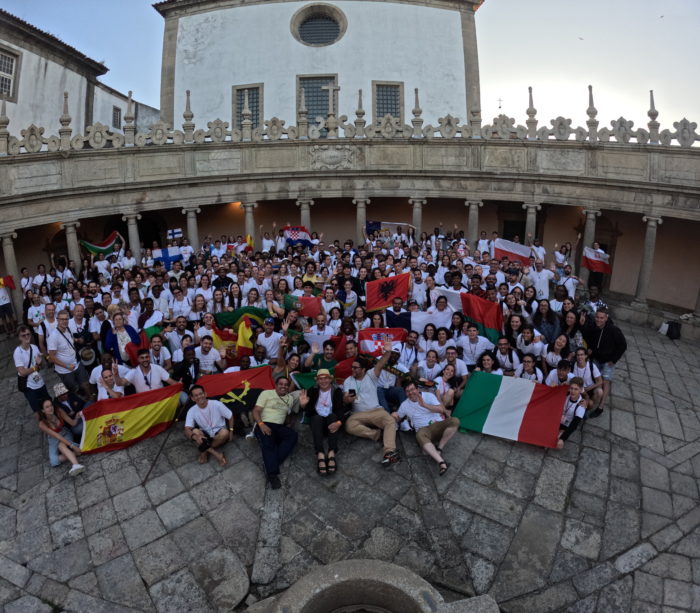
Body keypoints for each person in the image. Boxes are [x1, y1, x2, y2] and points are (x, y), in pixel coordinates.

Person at [342, 341, 401, 467]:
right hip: (358, 414)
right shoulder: (348, 380)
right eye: (352, 367)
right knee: (349, 425)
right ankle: (376, 434)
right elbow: (345, 398)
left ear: (363, 369)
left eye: (355, 368)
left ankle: (389, 452)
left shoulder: (371, 375)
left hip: (376, 411)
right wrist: (348, 399)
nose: (352, 369)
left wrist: (388, 352)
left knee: (390, 421)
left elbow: (380, 364)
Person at [392, 381, 460, 475]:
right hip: (424, 431)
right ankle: (442, 463)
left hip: (437, 425)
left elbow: (441, 410)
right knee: (419, 435)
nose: (411, 393)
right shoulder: (405, 405)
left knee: (455, 421)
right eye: (408, 391)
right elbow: (398, 417)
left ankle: (439, 449)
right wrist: (394, 416)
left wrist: (424, 405)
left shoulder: (428, 396)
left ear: (417, 389)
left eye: (412, 389)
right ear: (405, 393)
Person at [252, 376, 298, 489]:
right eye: (281, 384)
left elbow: (287, 415)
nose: (283, 386)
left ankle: (271, 461)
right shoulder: (266, 393)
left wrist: (289, 424)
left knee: (293, 435)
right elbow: (256, 410)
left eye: (286, 384)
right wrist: (261, 425)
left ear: (288, 387)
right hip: (265, 423)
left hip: (279, 426)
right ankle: (272, 474)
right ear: (276, 385)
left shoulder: (290, 399)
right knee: (268, 445)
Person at [580, 309, 627, 418]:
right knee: (594, 379)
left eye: (602, 318)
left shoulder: (614, 330)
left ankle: (600, 407)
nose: (599, 320)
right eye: (597, 317)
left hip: (608, 361)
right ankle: (589, 400)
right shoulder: (593, 327)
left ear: (606, 318)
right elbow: (587, 338)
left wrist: (614, 359)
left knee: (606, 381)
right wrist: (582, 325)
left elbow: (623, 345)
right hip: (596, 359)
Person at [299, 369, 344, 476]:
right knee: (316, 418)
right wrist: (304, 405)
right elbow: (309, 413)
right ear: (317, 381)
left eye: (326, 378)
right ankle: (320, 454)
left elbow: (340, 409)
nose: (323, 381)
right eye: (320, 379)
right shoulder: (312, 390)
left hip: (331, 424)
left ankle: (332, 452)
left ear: (330, 379)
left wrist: (339, 423)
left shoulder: (336, 391)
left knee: (333, 416)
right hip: (317, 425)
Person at [184, 384, 232, 466]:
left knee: (225, 433)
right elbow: (187, 429)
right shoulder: (191, 410)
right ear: (192, 398)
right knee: (195, 431)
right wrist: (196, 437)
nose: (199, 397)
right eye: (196, 395)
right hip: (205, 435)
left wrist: (231, 432)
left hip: (218, 433)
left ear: (205, 394)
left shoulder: (216, 404)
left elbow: (230, 416)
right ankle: (217, 455)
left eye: (201, 394)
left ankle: (204, 451)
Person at [47, 310, 90, 397]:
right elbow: (51, 357)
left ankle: (91, 401)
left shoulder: (68, 329)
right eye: (62, 319)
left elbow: (69, 340)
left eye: (66, 319)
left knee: (86, 384)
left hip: (76, 364)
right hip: (65, 370)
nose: (64, 321)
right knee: (75, 391)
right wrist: (67, 366)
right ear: (57, 320)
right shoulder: (53, 336)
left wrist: (77, 340)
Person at [37, 397, 85, 477]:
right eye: (47, 407)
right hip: (53, 438)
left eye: (51, 405)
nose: (50, 408)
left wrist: (77, 417)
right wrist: (72, 446)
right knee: (54, 461)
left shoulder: (59, 411)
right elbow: (57, 436)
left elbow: (72, 423)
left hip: (65, 433)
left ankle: (76, 465)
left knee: (61, 446)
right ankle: (76, 452)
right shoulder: (42, 424)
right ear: (42, 410)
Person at [14, 325, 49, 413]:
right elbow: (22, 372)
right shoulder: (18, 352)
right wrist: (35, 367)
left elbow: (42, 366)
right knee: (37, 410)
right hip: (29, 386)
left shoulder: (34, 347)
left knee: (48, 404)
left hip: (39, 382)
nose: (26, 336)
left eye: (28, 334)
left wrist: (40, 362)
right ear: (19, 337)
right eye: (23, 335)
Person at [556, 377, 586, 449]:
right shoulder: (565, 394)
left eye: (576, 389)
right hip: (557, 420)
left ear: (581, 390)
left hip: (566, 425)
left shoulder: (581, 406)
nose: (573, 391)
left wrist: (562, 439)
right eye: (571, 388)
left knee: (557, 443)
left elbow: (574, 425)